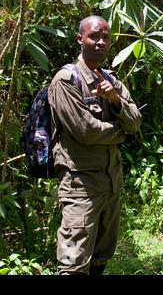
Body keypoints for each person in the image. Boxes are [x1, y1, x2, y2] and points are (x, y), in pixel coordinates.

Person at [48, 15, 142, 275]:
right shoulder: (66, 81)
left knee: (101, 257)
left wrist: (115, 101)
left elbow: (135, 122)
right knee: (74, 263)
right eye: (94, 36)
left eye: (106, 37)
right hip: (81, 186)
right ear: (80, 39)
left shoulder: (111, 80)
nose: (101, 42)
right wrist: (121, 133)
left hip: (111, 182)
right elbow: (86, 131)